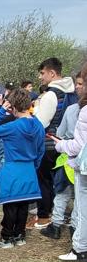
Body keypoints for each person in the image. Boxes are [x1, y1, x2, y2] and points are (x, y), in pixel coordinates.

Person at [0, 88, 45, 247]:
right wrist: (34, 167)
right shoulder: (38, 125)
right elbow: (41, 150)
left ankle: (6, 238)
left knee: (10, 206)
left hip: (12, 170)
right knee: (23, 205)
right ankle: (19, 235)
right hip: (29, 170)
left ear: (12, 107)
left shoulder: (13, 126)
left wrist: (0, 110)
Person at [28, 58, 76, 228]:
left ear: (52, 73)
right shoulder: (72, 92)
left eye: (42, 73)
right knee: (58, 182)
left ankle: (43, 217)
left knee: (44, 180)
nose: (40, 77)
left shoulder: (51, 94)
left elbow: (41, 123)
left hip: (48, 143)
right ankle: (57, 213)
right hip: (66, 142)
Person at [49, 62, 87, 262]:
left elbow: (77, 144)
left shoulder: (79, 110)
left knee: (72, 198)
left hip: (78, 163)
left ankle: (79, 247)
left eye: (81, 82)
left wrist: (61, 145)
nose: (78, 87)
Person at [39, 72, 83, 240]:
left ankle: (56, 225)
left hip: (68, 155)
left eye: (80, 84)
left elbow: (60, 133)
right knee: (76, 195)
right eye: (77, 83)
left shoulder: (71, 110)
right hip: (76, 156)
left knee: (63, 191)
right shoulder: (71, 108)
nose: (78, 87)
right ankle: (74, 226)